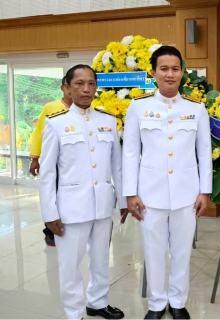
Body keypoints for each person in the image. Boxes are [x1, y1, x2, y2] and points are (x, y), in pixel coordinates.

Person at [122, 46, 212, 320]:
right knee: (153, 251)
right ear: (153, 72)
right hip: (150, 195)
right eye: (164, 68)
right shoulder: (138, 107)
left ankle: (177, 302)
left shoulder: (196, 109)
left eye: (175, 69)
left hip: (187, 194)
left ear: (182, 72)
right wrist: (130, 193)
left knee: (182, 252)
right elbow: (130, 153)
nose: (170, 74)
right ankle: (157, 305)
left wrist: (205, 191)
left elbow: (204, 151)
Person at [39, 64, 128, 320]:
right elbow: (48, 173)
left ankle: (97, 303)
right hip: (70, 209)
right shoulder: (56, 124)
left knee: (101, 259)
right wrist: (49, 211)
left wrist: (122, 200)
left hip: (102, 205)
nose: (86, 89)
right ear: (67, 88)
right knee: (70, 266)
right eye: (79, 83)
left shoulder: (108, 121)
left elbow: (117, 166)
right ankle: (73, 313)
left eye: (91, 83)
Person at [30, 76, 73, 246]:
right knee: (52, 194)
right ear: (64, 87)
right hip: (54, 161)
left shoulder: (86, 108)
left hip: (73, 163)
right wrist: (35, 158)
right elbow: (39, 133)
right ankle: (50, 230)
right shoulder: (51, 107)